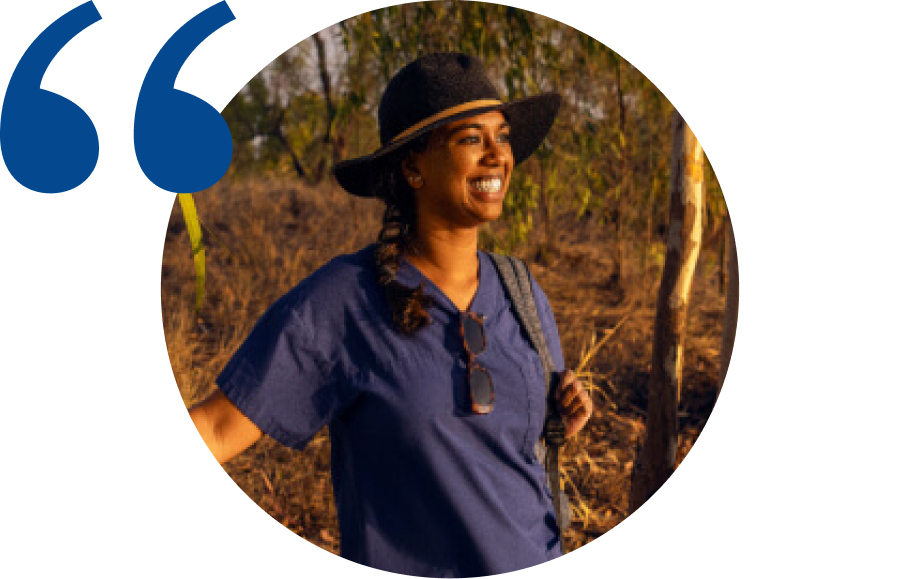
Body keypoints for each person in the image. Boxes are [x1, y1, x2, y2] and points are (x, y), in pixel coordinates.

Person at [187, 52, 593, 577]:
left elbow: (508, 449)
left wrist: (556, 419)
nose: (497, 155)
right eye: (471, 139)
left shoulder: (522, 290)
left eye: (503, 136)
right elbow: (217, 430)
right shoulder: (343, 302)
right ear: (412, 166)